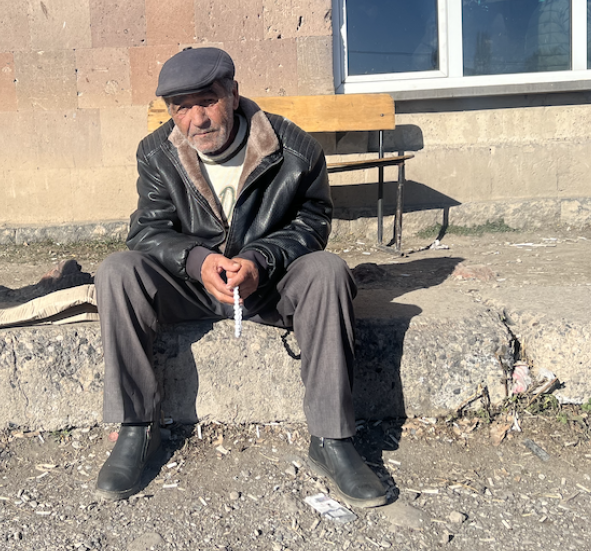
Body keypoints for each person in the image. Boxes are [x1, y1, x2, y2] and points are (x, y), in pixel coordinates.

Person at [93, 47, 389, 508]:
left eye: (206, 101)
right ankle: (136, 430)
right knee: (116, 271)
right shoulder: (157, 154)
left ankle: (333, 441)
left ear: (233, 94)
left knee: (328, 272)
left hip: (269, 284)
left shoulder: (295, 150)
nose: (196, 119)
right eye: (181, 108)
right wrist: (196, 260)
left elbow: (313, 224)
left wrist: (260, 259)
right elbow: (146, 230)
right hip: (192, 285)